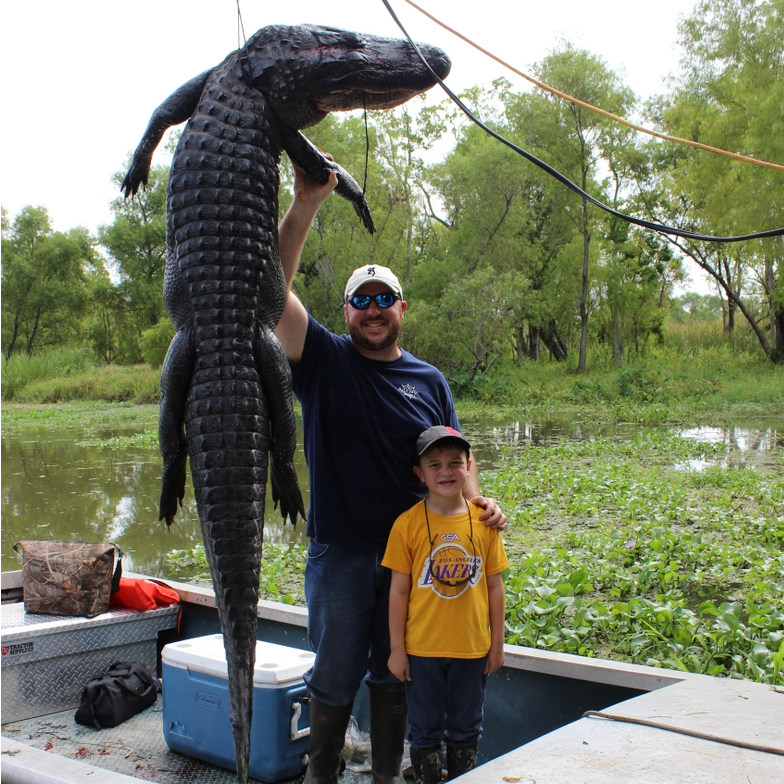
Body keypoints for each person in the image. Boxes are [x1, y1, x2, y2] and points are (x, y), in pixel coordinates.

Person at [274, 164, 507, 784]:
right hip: (342, 553)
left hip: (417, 557)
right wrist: (305, 204)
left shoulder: (429, 380)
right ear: (345, 310)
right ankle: (321, 775)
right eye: (361, 300)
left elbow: (459, 457)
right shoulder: (321, 359)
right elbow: (267, 290)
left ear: (402, 307)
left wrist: (480, 509)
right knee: (334, 674)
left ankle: (383, 778)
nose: (373, 310)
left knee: (397, 673)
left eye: (384, 299)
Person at [383, 426, 507, 784]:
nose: (446, 472)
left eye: (455, 462)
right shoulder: (406, 525)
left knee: (467, 729)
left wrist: (497, 644)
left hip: (472, 649)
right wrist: (396, 650)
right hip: (421, 651)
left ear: (469, 467)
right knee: (424, 731)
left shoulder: (485, 525)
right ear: (420, 474)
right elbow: (398, 592)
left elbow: (495, 587)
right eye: (434, 464)